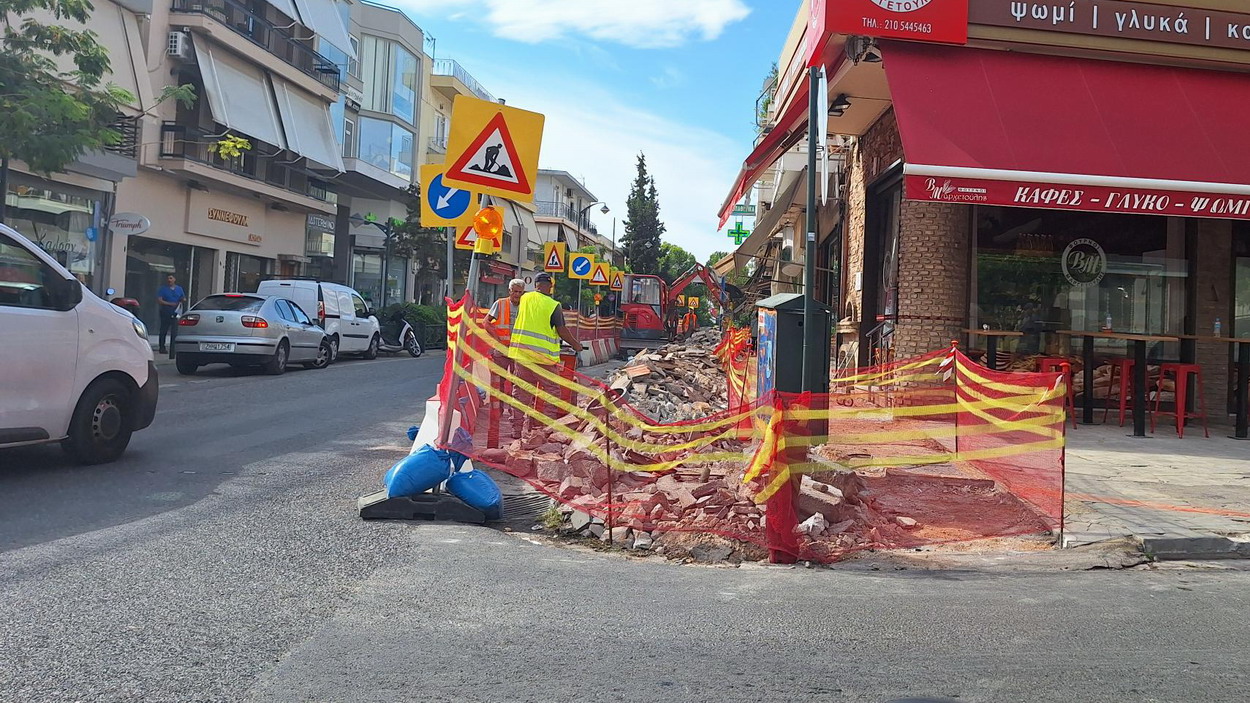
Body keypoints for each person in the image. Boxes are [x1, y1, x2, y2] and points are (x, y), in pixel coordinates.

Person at [507, 273, 583, 437]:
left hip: (521, 356)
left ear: (535, 285)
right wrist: (576, 344)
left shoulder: (525, 299)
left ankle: (516, 430)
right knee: (551, 393)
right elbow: (562, 330)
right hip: (543, 360)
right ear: (550, 286)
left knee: (520, 394)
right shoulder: (553, 305)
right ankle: (545, 430)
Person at [485, 279, 526, 348]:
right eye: (515, 291)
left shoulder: (525, 306)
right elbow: (486, 322)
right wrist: (497, 339)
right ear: (509, 291)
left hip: (518, 348)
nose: (517, 294)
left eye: (520, 292)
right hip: (501, 348)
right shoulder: (500, 303)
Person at [156, 274, 186, 353]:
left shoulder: (179, 289)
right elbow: (159, 300)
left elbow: (183, 298)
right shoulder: (163, 289)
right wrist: (169, 304)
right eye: (168, 278)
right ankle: (162, 348)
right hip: (165, 311)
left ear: (174, 279)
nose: (169, 280)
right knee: (163, 330)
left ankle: (173, 349)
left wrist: (182, 300)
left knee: (175, 331)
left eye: (171, 278)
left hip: (176, 312)